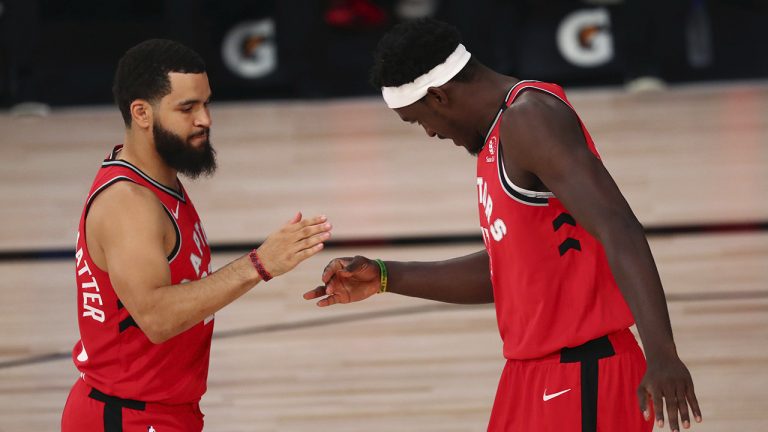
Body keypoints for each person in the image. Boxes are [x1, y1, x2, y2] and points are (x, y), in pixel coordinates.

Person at [304, 18, 702, 432]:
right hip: (532, 374)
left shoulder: (530, 119)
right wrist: (388, 276)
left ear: (439, 96)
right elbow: (510, 269)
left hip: (583, 373)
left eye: (418, 120)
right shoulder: (498, 135)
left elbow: (619, 228)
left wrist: (663, 355)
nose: (429, 133)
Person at [61, 39, 332, 432]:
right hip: (129, 416)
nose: (204, 119)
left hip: (157, 409)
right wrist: (259, 264)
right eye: (187, 108)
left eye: (206, 104)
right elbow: (156, 317)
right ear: (141, 112)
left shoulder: (157, 179)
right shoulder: (128, 204)